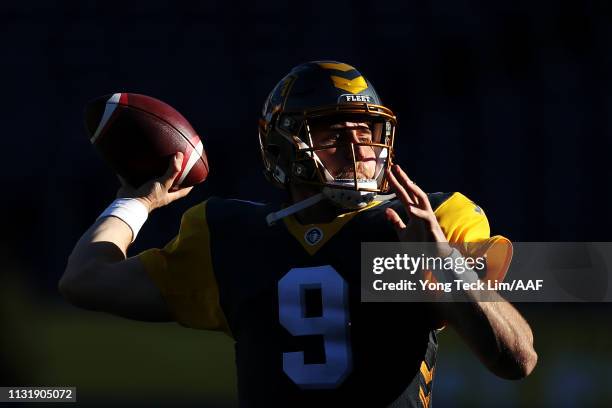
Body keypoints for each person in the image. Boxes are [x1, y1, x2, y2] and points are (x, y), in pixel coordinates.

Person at [60, 61, 537, 407]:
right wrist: (137, 201)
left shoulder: (430, 221)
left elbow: (517, 359)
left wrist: (440, 263)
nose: (357, 147)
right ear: (283, 149)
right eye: (332, 133)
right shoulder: (226, 235)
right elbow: (83, 280)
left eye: (367, 132)